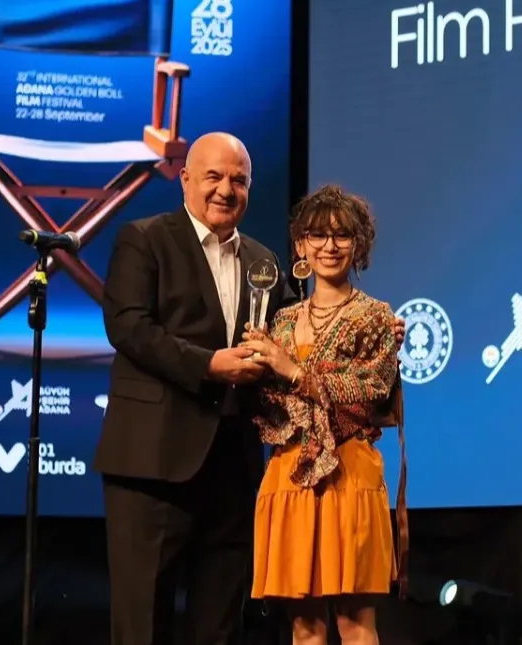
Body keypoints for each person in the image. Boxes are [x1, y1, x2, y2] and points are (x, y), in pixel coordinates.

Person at [94, 133, 405, 645]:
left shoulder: (262, 261)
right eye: (213, 177)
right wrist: (209, 364)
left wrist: (382, 334)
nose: (225, 189)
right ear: (185, 179)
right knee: (142, 623)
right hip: (153, 462)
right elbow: (128, 327)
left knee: (219, 624)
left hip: (233, 468)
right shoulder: (144, 238)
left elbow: (298, 344)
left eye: (238, 180)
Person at [240, 184, 408, 645]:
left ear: (358, 245)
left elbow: (368, 392)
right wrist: (259, 366)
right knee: (305, 628)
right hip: (289, 476)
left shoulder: (376, 317)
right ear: (300, 245)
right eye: (317, 235)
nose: (329, 246)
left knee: (355, 624)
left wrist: (293, 371)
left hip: (348, 475)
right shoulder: (280, 322)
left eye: (342, 235)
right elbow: (268, 405)